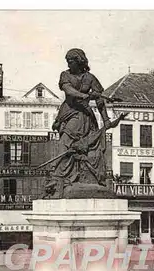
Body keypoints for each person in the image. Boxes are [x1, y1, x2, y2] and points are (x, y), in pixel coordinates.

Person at [45, 48, 111, 196]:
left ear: (79, 61)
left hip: (86, 115)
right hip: (70, 112)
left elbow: (100, 100)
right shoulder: (65, 75)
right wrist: (86, 96)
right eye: (67, 61)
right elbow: (69, 91)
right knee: (65, 142)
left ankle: (78, 177)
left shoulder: (90, 78)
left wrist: (106, 119)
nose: (69, 64)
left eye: (71, 61)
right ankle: (59, 176)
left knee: (87, 147)